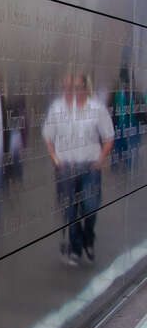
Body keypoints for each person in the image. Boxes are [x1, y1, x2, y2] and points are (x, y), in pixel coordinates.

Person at [43, 72, 114, 264]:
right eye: (66, 88)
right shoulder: (57, 108)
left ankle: (88, 238)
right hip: (66, 167)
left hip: (89, 167)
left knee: (90, 207)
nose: (70, 91)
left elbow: (108, 137)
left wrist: (100, 159)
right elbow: (48, 136)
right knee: (70, 211)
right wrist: (55, 160)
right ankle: (75, 246)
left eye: (74, 87)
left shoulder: (96, 108)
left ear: (84, 87)